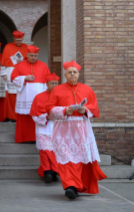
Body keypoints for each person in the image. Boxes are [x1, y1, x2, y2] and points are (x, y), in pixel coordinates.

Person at [46, 60, 107, 200]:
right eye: (70, 72)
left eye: (75, 72)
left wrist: (84, 109)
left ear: (79, 74)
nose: (72, 74)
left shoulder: (87, 89)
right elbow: (49, 109)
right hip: (63, 128)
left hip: (82, 129)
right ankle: (70, 186)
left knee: (79, 157)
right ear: (65, 75)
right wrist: (64, 110)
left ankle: (73, 186)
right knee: (65, 158)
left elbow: (95, 109)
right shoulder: (57, 90)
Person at [11, 45, 50, 143]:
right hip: (25, 95)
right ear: (27, 55)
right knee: (25, 118)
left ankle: (38, 138)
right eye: (31, 55)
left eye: (35, 56)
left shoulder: (43, 65)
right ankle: (25, 138)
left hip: (39, 94)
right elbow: (13, 78)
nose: (33, 57)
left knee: (38, 116)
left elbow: (48, 80)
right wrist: (24, 78)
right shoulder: (20, 65)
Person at [30, 72, 60, 183]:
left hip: (58, 128)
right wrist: (46, 116)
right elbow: (34, 115)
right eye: (52, 83)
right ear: (46, 84)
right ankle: (47, 172)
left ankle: (55, 172)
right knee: (44, 151)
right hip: (44, 128)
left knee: (56, 151)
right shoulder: (39, 97)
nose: (54, 85)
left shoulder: (61, 96)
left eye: (56, 83)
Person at [0, 31, 28, 121]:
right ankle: (12, 116)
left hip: (22, 73)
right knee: (11, 95)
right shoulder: (8, 47)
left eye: (20, 40)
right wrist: (3, 73)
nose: (18, 42)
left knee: (22, 93)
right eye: (17, 40)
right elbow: (4, 61)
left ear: (22, 39)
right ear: (13, 39)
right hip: (10, 71)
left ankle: (20, 115)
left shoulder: (26, 47)